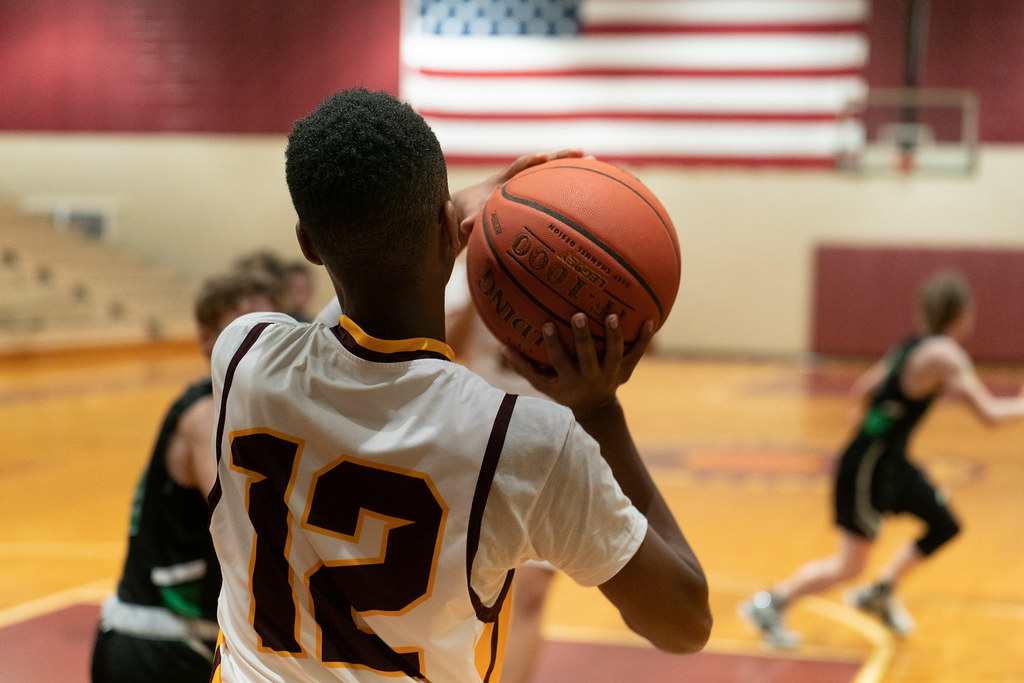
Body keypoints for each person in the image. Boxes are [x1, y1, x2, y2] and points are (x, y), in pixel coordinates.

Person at [207, 88, 711, 682]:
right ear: (450, 228)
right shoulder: (526, 447)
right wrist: (599, 409)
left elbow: (348, 310)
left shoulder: (242, 355)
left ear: (308, 246)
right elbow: (684, 622)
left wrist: (449, 216)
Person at [741, 270, 1024, 649]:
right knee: (850, 565)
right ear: (960, 312)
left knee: (944, 524)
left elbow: (863, 388)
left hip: (888, 460)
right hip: (869, 466)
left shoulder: (908, 346)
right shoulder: (945, 354)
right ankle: (770, 605)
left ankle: (881, 590)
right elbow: (988, 415)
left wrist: (872, 423)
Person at [314, 258, 557, 683]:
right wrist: (488, 295)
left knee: (531, 591)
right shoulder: (479, 261)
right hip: (480, 437)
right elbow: (449, 344)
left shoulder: (579, 263)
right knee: (460, 591)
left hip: (551, 438)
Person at [91, 271, 279, 683]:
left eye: (268, 332)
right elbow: (247, 517)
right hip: (157, 644)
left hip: (170, 642)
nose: (256, 346)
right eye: (241, 331)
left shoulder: (234, 409)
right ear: (206, 338)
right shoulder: (206, 414)